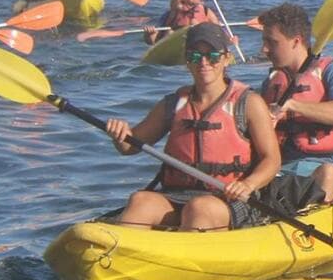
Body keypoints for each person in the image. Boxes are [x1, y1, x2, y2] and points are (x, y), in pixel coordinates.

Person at [103, 23, 281, 231]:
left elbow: (272, 160)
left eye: (212, 55)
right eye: (195, 56)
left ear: (226, 58)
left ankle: (184, 256)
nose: (204, 63)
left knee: (199, 209)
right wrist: (120, 136)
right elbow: (130, 147)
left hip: (229, 199)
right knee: (140, 201)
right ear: (187, 61)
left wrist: (247, 185)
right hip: (177, 194)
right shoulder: (173, 103)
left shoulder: (249, 103)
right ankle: (120, 255)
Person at [257, 2, 333, 206]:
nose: (264, 49)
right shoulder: (271, 81)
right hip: (280, 168)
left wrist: (291, 106)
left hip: (327, 165)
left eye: (272, 42)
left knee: (327, 175)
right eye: (264, 41)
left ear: (296, 41)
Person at [143, 0, 212, 44]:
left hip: (199, 44)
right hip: (177, 44)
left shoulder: (206, 11)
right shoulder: (176, 8)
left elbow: (219, 30)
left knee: (196, 24)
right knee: (170, 32)